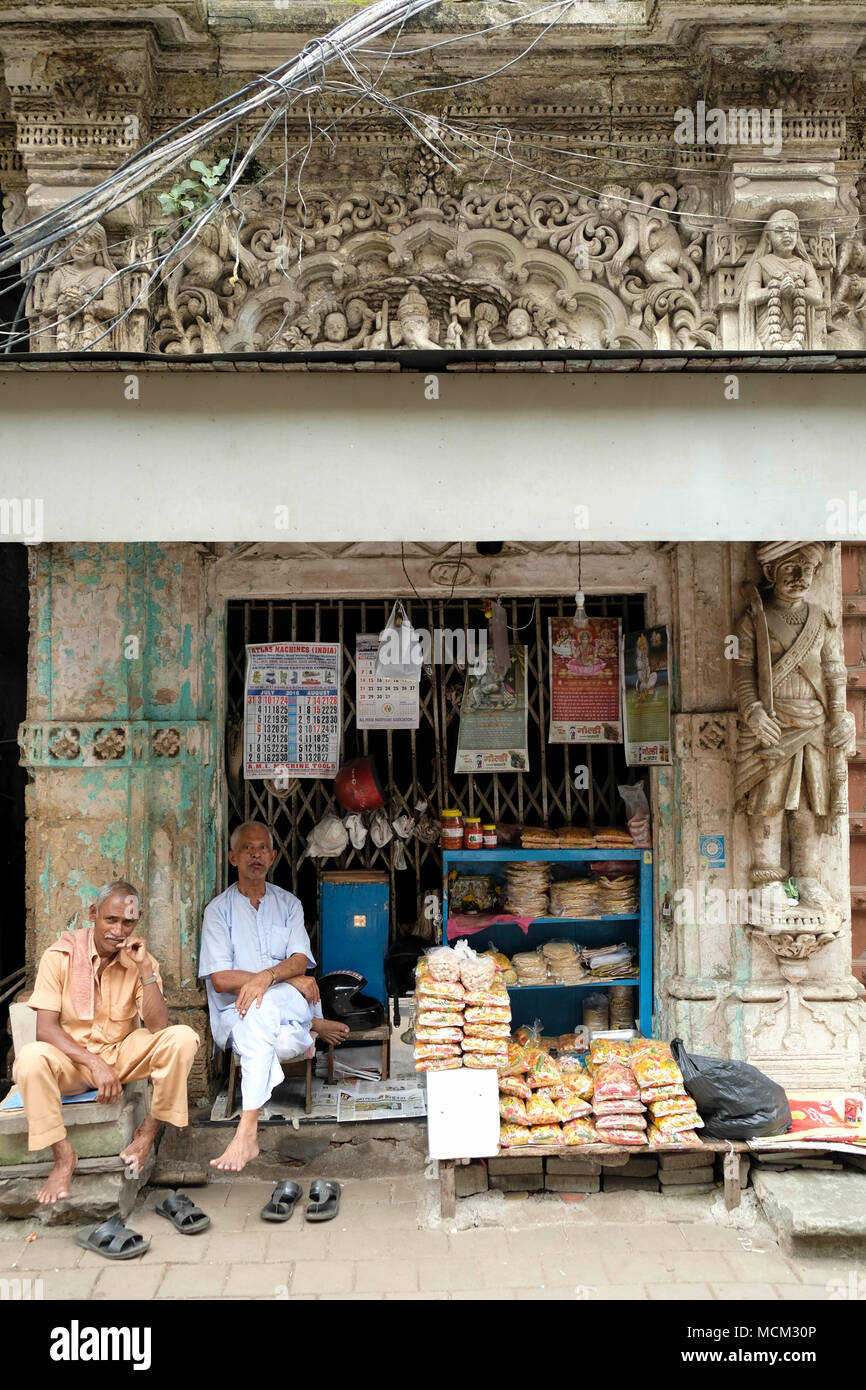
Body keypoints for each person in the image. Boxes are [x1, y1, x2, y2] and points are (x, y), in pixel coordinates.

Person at [13, 881, 199, 1204]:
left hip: (121, 1054)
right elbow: (45, 1029)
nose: (118, 930)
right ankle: (63, 1155)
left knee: (183, 1038)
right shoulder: (59, 957)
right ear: (93, 914)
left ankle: (146, 1134)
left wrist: (145, 970)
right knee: (29, 1059)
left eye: (127, 922)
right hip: (71, 1062)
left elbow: (157, 1025)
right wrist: (93, 1062)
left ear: (136, 921)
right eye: (110, 920)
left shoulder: (140, 959)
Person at [199, 822, 349, 1172]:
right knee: (278, 1038)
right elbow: (221, 979)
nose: (256, 854)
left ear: (273, 856)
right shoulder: (218, 912)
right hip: (236, 1011)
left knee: (262, 1008)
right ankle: (308, 1026)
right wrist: (284, 980)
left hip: (283, 998)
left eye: (262, 848)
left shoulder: (289, 904)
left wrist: (266, 979)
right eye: (248, 848)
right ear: (233, 857)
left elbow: (300, 960)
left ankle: (247, 1129)